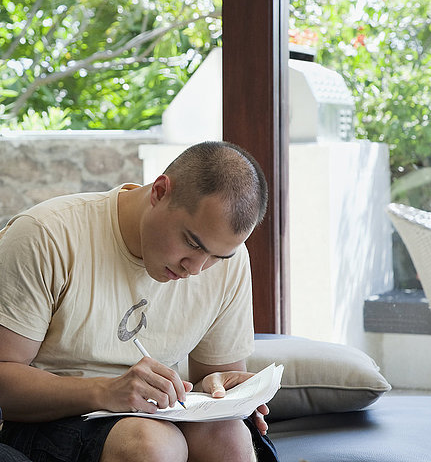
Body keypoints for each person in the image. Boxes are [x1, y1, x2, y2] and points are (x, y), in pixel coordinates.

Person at [0, 141, 278, 462]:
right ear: (159, 192)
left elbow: (216, 375)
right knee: (152, 443)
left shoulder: (230, 262)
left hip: (159, 414)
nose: (196, 268)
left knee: (226, 435)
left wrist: (223, 389)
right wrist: (106, 391)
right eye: (191, 242)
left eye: (217, 256)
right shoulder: (46, 235)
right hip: (46, 419)